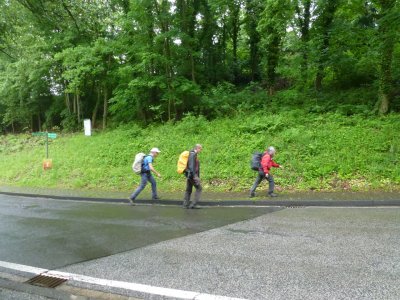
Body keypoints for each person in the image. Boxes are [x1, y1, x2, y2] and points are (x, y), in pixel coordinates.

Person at [183, 144, 203, 209]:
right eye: (201, 149)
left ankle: (185, 205)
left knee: (188, 189)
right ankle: (193, 204)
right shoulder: (193, 154)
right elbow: (191, 166)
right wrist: (194, 176)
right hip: (192, 175)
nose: (201, 150)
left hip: (189, 175)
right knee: (199, 188)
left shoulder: (191, 154)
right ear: (197, 148)